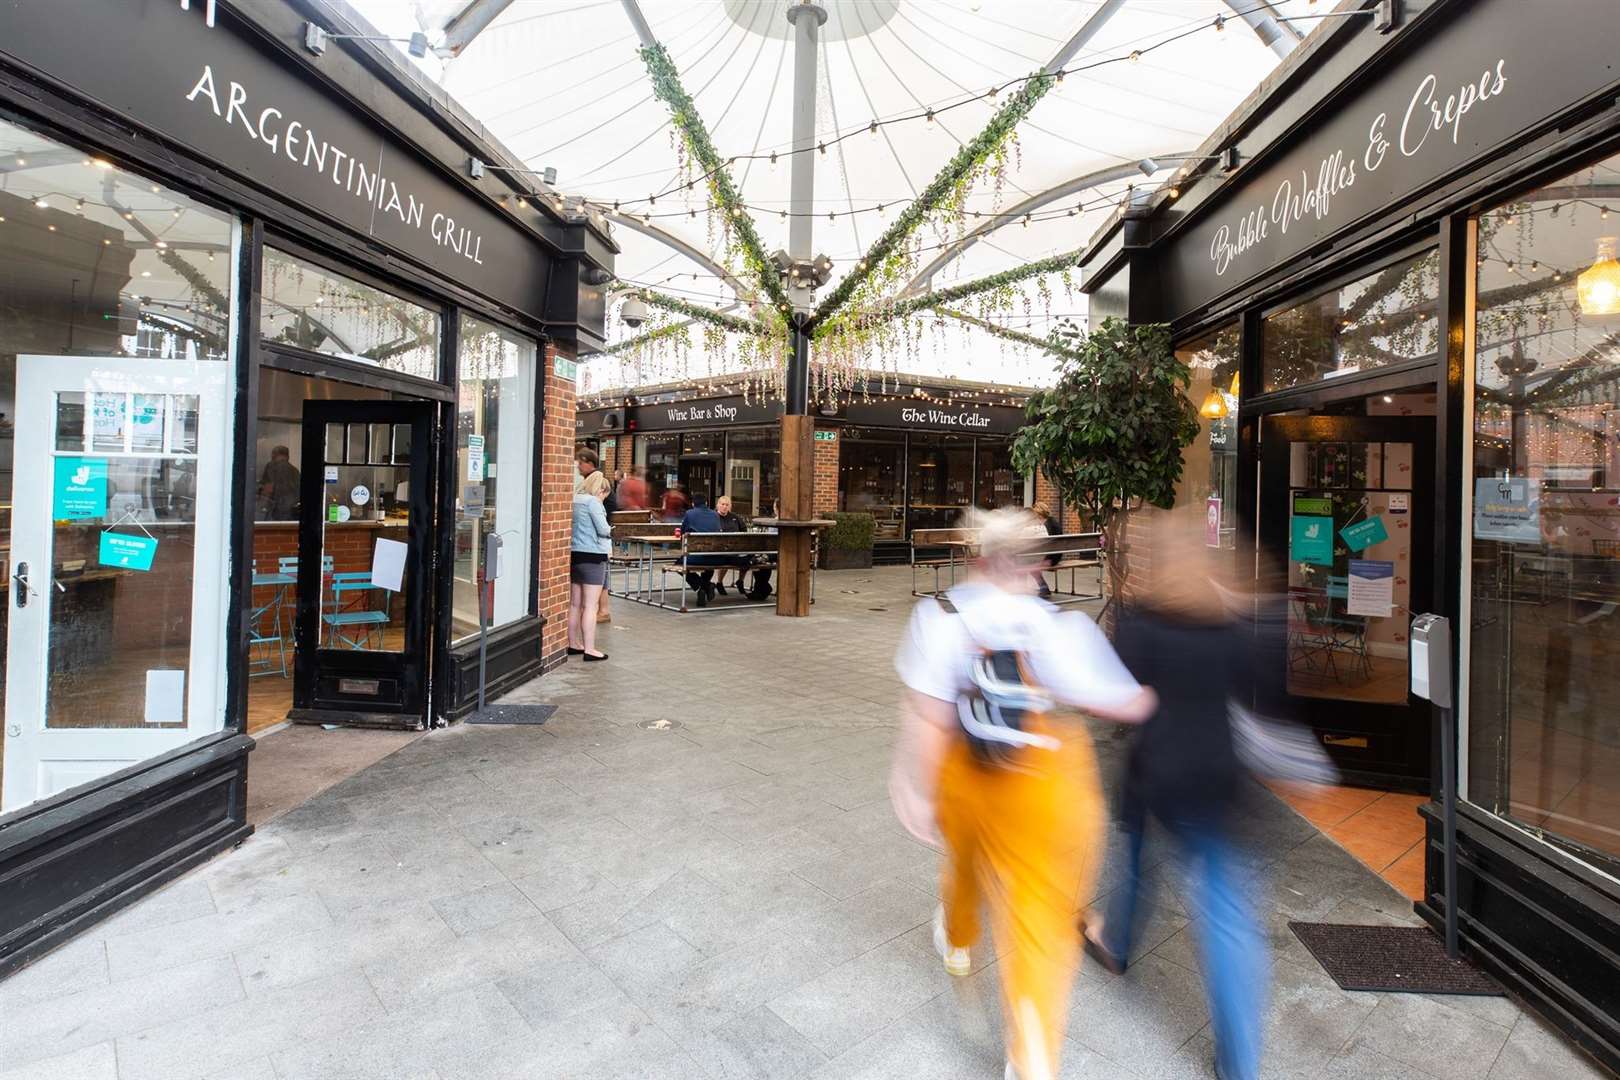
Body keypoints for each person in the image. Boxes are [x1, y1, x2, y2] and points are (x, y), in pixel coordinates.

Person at [891, 508, 1156, 1080]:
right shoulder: (1064, 626)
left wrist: (913, 788)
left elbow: (931, 717)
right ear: (1037, 563)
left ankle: (959, 941)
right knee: (1040, 917)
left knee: (963, 862)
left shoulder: (940, 617)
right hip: (1049, 780)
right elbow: (1123, 702)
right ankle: (1031, 1056)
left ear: (977, 557)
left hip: (969, 770)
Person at [1084, 514, 1269, 1080]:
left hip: (1153, 773)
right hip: (1217, 776)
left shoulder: (1142, 623)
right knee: (1229, 917)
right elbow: (1254, 699)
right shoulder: (1234, 626)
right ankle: (1239, 1064)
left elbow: (1117, 694)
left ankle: (1114, 943)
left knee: (1135, 859)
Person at [568, 478, 612, 662]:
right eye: (605, 495)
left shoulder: (575, 499)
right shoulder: (594, 502)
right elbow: (603, 530)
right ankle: (590, 649)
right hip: (593, 556)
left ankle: (573, 644)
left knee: (574, 604)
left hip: (575, 554)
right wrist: (612, 529)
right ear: (601, 490)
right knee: (591, 606)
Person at [677, 492, 727, 606]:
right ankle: (705, 586)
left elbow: (683, 535)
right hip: (715, 558)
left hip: (696, 558)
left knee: (679, 563)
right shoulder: (715, 515)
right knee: (708, 562)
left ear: (693, 503)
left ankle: (701, 587)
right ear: (706, 503)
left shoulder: (689, 514)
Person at [713, 494, 745, 595]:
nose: (724, 506)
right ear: (718, 505)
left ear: (730, 506)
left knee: (749, 558)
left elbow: (744, 530)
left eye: (727, 505)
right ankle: (719, 582)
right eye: (722, 504)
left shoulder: (735, 517)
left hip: (735, 547)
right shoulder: (713, 517)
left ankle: (740, 581)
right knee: (726, 558)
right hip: (719, 548)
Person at [1028, 502, 1060, 598]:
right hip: (1056, 555)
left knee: (1028, 564)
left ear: (1039, 512)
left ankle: (1043, 588)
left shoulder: (1046, 525)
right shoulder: (1053, 521)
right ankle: (1043, 588)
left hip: (1050, 558)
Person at [259, 445, 300, 520]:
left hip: (274, 509)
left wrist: (263, 503)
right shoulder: (295, 470)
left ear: (274, 454)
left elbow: (267, 487)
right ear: (287, 456)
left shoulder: (270, 466)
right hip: (290, 510)